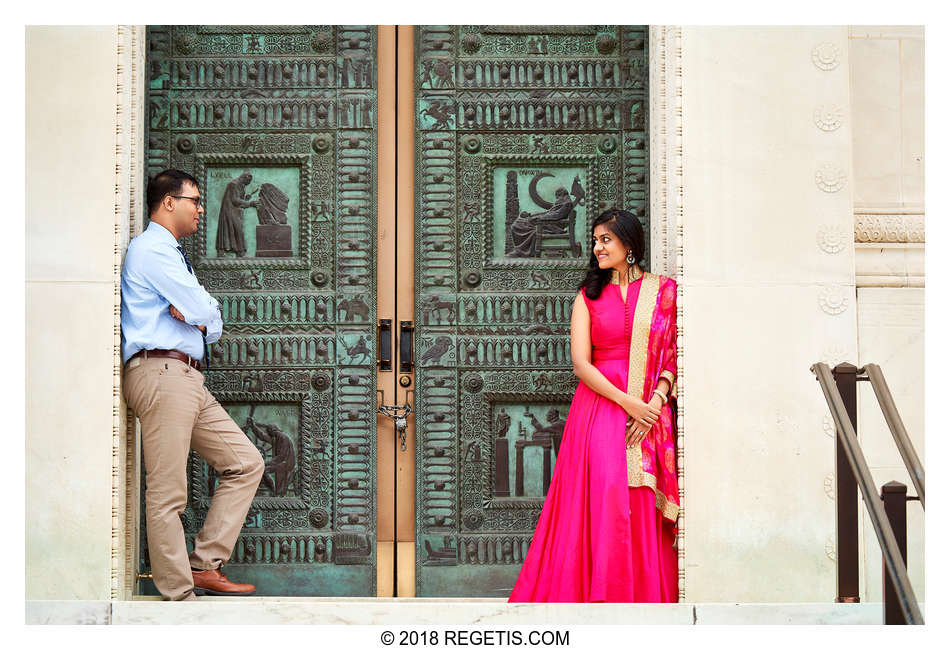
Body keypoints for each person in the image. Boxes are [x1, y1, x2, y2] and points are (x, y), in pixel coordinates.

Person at [508, 208, 679, 602]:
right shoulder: (588, 296)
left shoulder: (663, 291)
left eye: (607, 239)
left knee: (639, 499)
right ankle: (599, 593)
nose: (598, 247)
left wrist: (653, 401)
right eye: (596, 240)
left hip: (650, 406)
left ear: (629, 245)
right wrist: (627, 403)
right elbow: (582, 364)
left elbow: (671, 352)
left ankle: (642, 598)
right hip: (602, 403)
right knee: (605, 493)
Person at [121, 169, 265, 601]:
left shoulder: (172, 253)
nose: (202, 209)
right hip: (161, 372)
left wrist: (203, 314)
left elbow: (211, 322)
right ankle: (179, 595)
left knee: (246, 463)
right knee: (168, 492)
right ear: (168, 202)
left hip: (185, 376)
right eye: (195, 201)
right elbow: (202, 308)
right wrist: (202, 312)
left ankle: (204, 566)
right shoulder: (152, 250)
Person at [215, 171, 255, 256]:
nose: (248, 184)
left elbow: (238, 199)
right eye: (248, 181)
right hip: (230, 211)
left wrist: (246, 199)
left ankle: (238, 252)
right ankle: (238, 252)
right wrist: (250, 203)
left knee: (235, 230)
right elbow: (235, 200)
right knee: (236, 230)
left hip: (235, 211)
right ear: (244, 178)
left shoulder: (240, 185)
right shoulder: (234, 184)